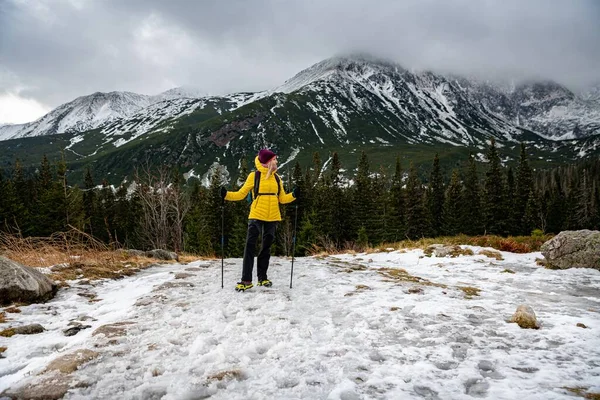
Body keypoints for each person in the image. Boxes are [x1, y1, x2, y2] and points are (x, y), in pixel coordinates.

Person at [221, 149, 298, 291]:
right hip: (256, 214)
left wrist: (293, 195)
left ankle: (262, 278)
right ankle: (246, 280)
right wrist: (226, 195)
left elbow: (282, 198)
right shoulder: (254, 176)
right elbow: (240, 194)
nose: (276, 162)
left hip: (273, 215)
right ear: (268, 162)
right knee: (250, 246)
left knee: (266, 248)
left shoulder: (277, 178)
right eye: (274, 159)